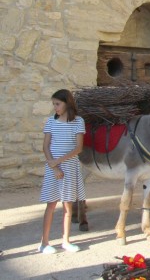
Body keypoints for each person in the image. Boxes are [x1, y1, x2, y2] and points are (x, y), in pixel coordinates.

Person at [39, 89, 86, 254]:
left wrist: (58, 162)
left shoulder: (78, 121)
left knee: (68, 205)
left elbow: (78, 148)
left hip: (69, 167)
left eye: (57, 104)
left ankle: (66, 241)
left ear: (67, 103)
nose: (55, 107)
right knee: (51, 205)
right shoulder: (51, 121)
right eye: (53, 104)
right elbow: (45, 146)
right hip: (53, 168)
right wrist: (54, 167)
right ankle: (44, 243)